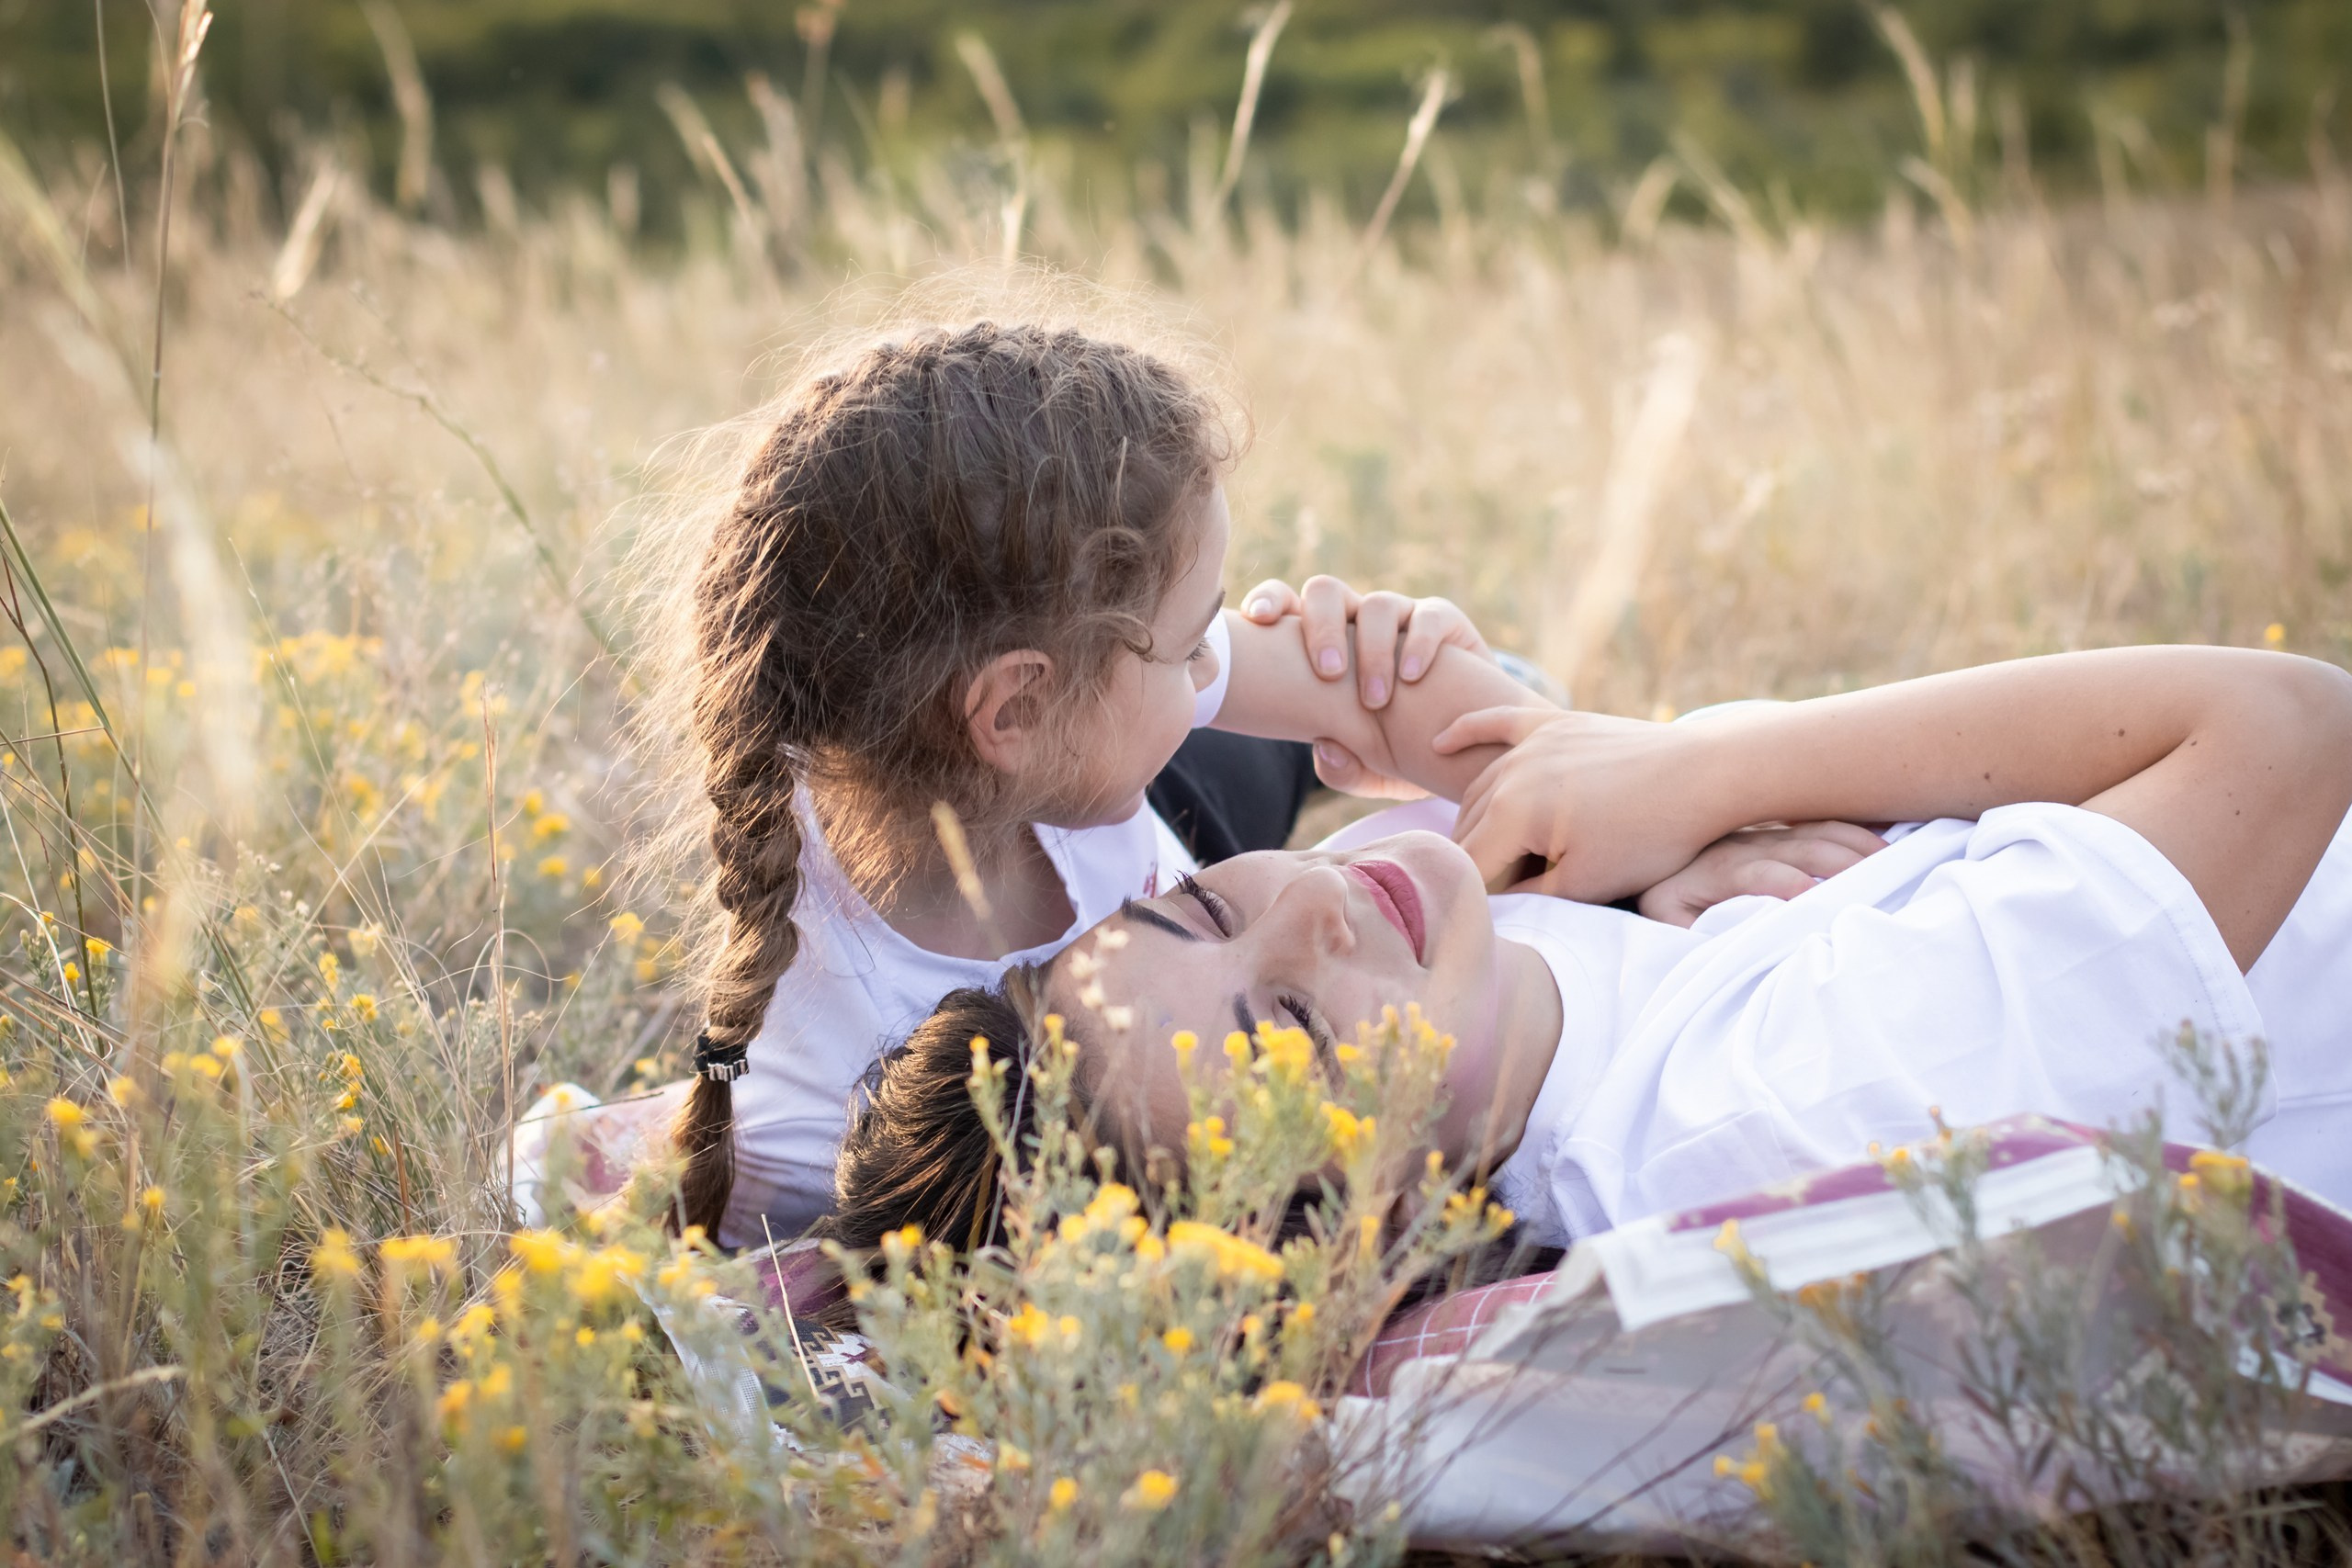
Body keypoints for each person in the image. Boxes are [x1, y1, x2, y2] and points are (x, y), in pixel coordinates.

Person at [640, 319, 1851, 1246]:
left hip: (1178, 867)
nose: (1224, 641)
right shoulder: (848, 1091)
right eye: (1194, 629)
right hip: (1212, 952)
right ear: (1014, 705)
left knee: (1474, 679)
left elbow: (1378, 697)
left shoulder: (1029, 700)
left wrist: (1658, 818)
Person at [831, 643, 2352, 1255]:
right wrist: (1717, 772)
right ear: (1382, 1222)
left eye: (1207, 908)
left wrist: (1682, 842)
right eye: (1286, 1026)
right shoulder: (1768, 1122)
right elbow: (2286, 728)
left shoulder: (1496, 957)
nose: (1308, 906)